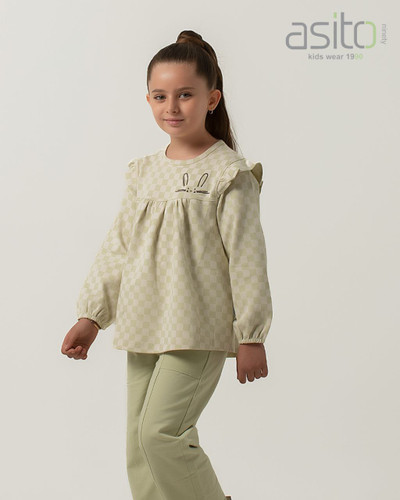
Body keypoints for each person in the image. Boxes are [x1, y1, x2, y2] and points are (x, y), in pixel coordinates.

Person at [61, 29, 273, 500]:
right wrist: (91, 316)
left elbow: (247, 259)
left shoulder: (229, 174)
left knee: (162, 436)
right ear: (148, 100)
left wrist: (251, 335)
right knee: (140, 446)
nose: (171, 107)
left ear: (212, 99)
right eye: (160, 96)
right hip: (143, 322)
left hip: (197, 327)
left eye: (185, 95)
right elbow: (119, 246)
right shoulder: (143, 171)